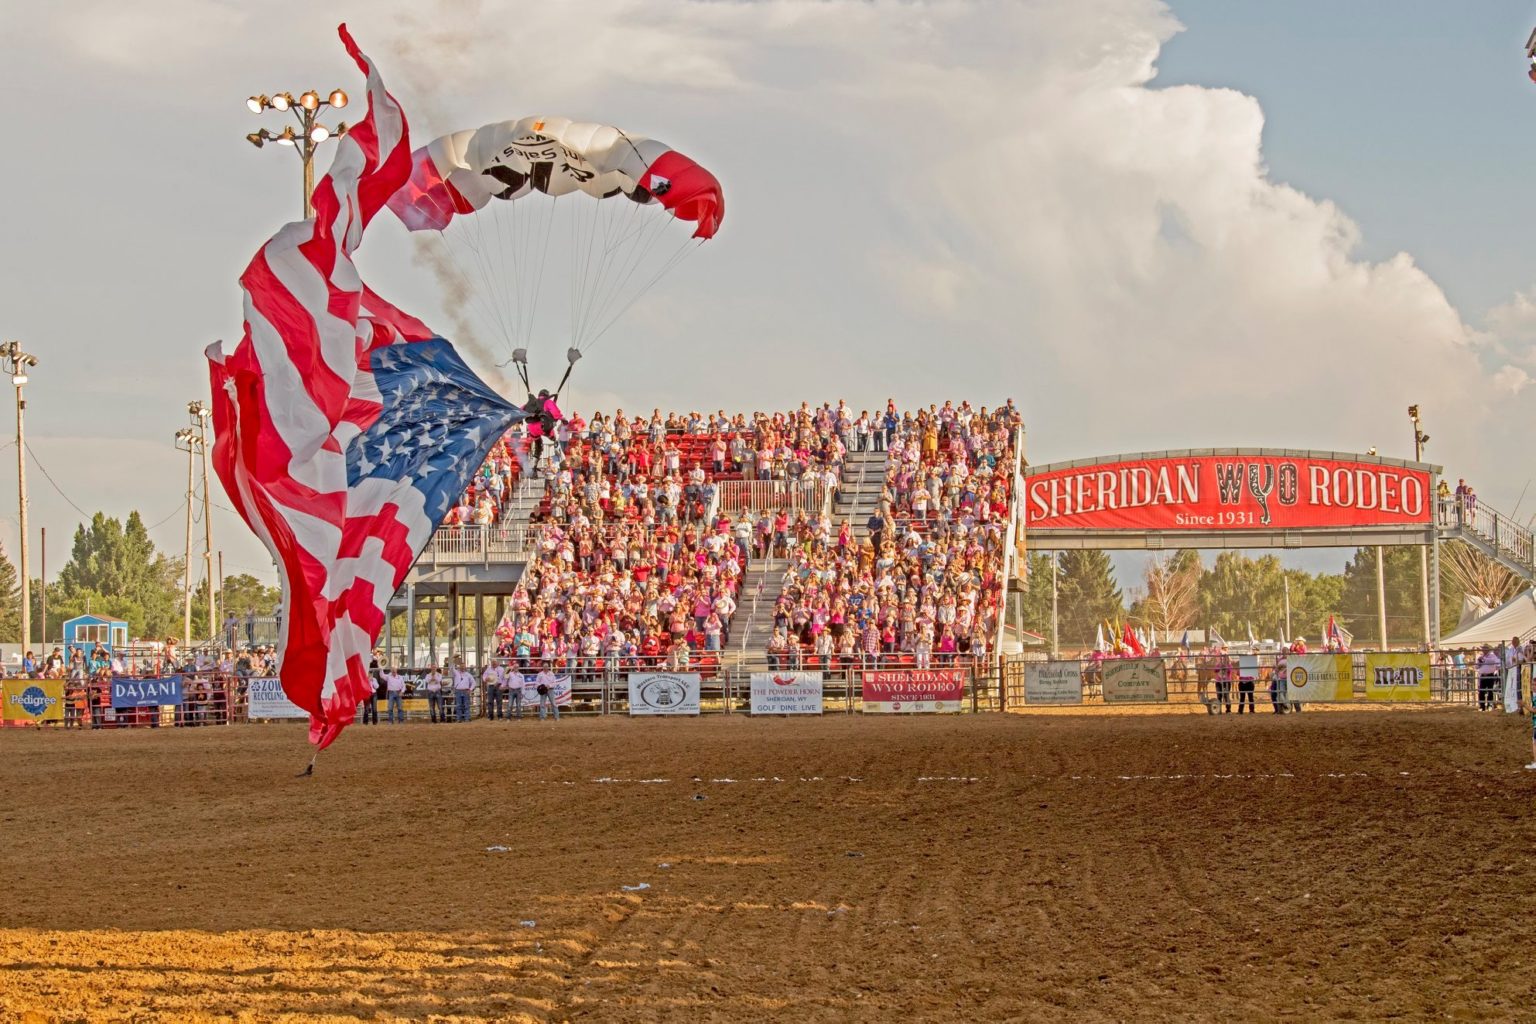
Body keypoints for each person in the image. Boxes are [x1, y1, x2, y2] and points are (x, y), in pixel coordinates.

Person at [1476, 646, 1501, 711]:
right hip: (1482, 675)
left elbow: (1493, 661)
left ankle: (1490, 705)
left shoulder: (1492, 656)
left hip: (1490, 675)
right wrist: (1479, 663)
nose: (1484, 650)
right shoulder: (1480, 657)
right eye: (1483, 649)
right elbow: (1476, 666)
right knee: (1481, 691)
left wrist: (1484, 659)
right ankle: (1482, 706)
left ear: (1488, 649)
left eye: (1485, 649)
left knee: (1490, 691)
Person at [1211, 646, 1233, 714]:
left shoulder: (1229, 664)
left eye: (1224, 657)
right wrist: (1220, 666)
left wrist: (1225, 666)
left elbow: (1230, 670)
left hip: (1227, 681)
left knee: (1226, 695)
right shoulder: (1218, 664)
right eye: (1222, 657)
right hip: (1219, 681)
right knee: (1219, 695)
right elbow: (1215, 670)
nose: (1222, 658)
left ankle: (1228, 710)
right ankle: (1219, 710)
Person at [361, 654, 382, 725]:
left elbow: (377, 687)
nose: (370, 675)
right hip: (367, 694)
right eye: (369, 674)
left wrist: (372, 681)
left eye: (371, 674)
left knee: (374, 709)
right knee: (366, 709)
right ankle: (365, 722)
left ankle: (375, 722)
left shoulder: (374, 679)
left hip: (374, 694)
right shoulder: (365, 680)